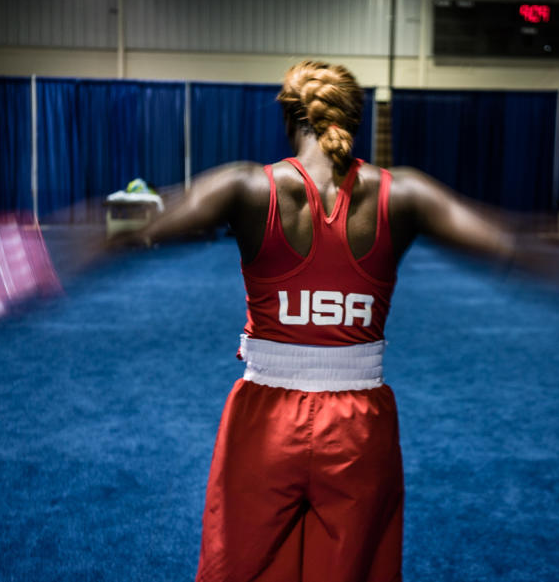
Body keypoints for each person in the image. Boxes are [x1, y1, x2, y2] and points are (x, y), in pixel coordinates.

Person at [128, 60, 519, 582]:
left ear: (290, 120)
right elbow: (508, 246)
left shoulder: (246, 186)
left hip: (264, 422)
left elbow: (139, 230)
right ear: (354, 121)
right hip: (360, 428)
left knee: (242, 570)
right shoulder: (403, 194)